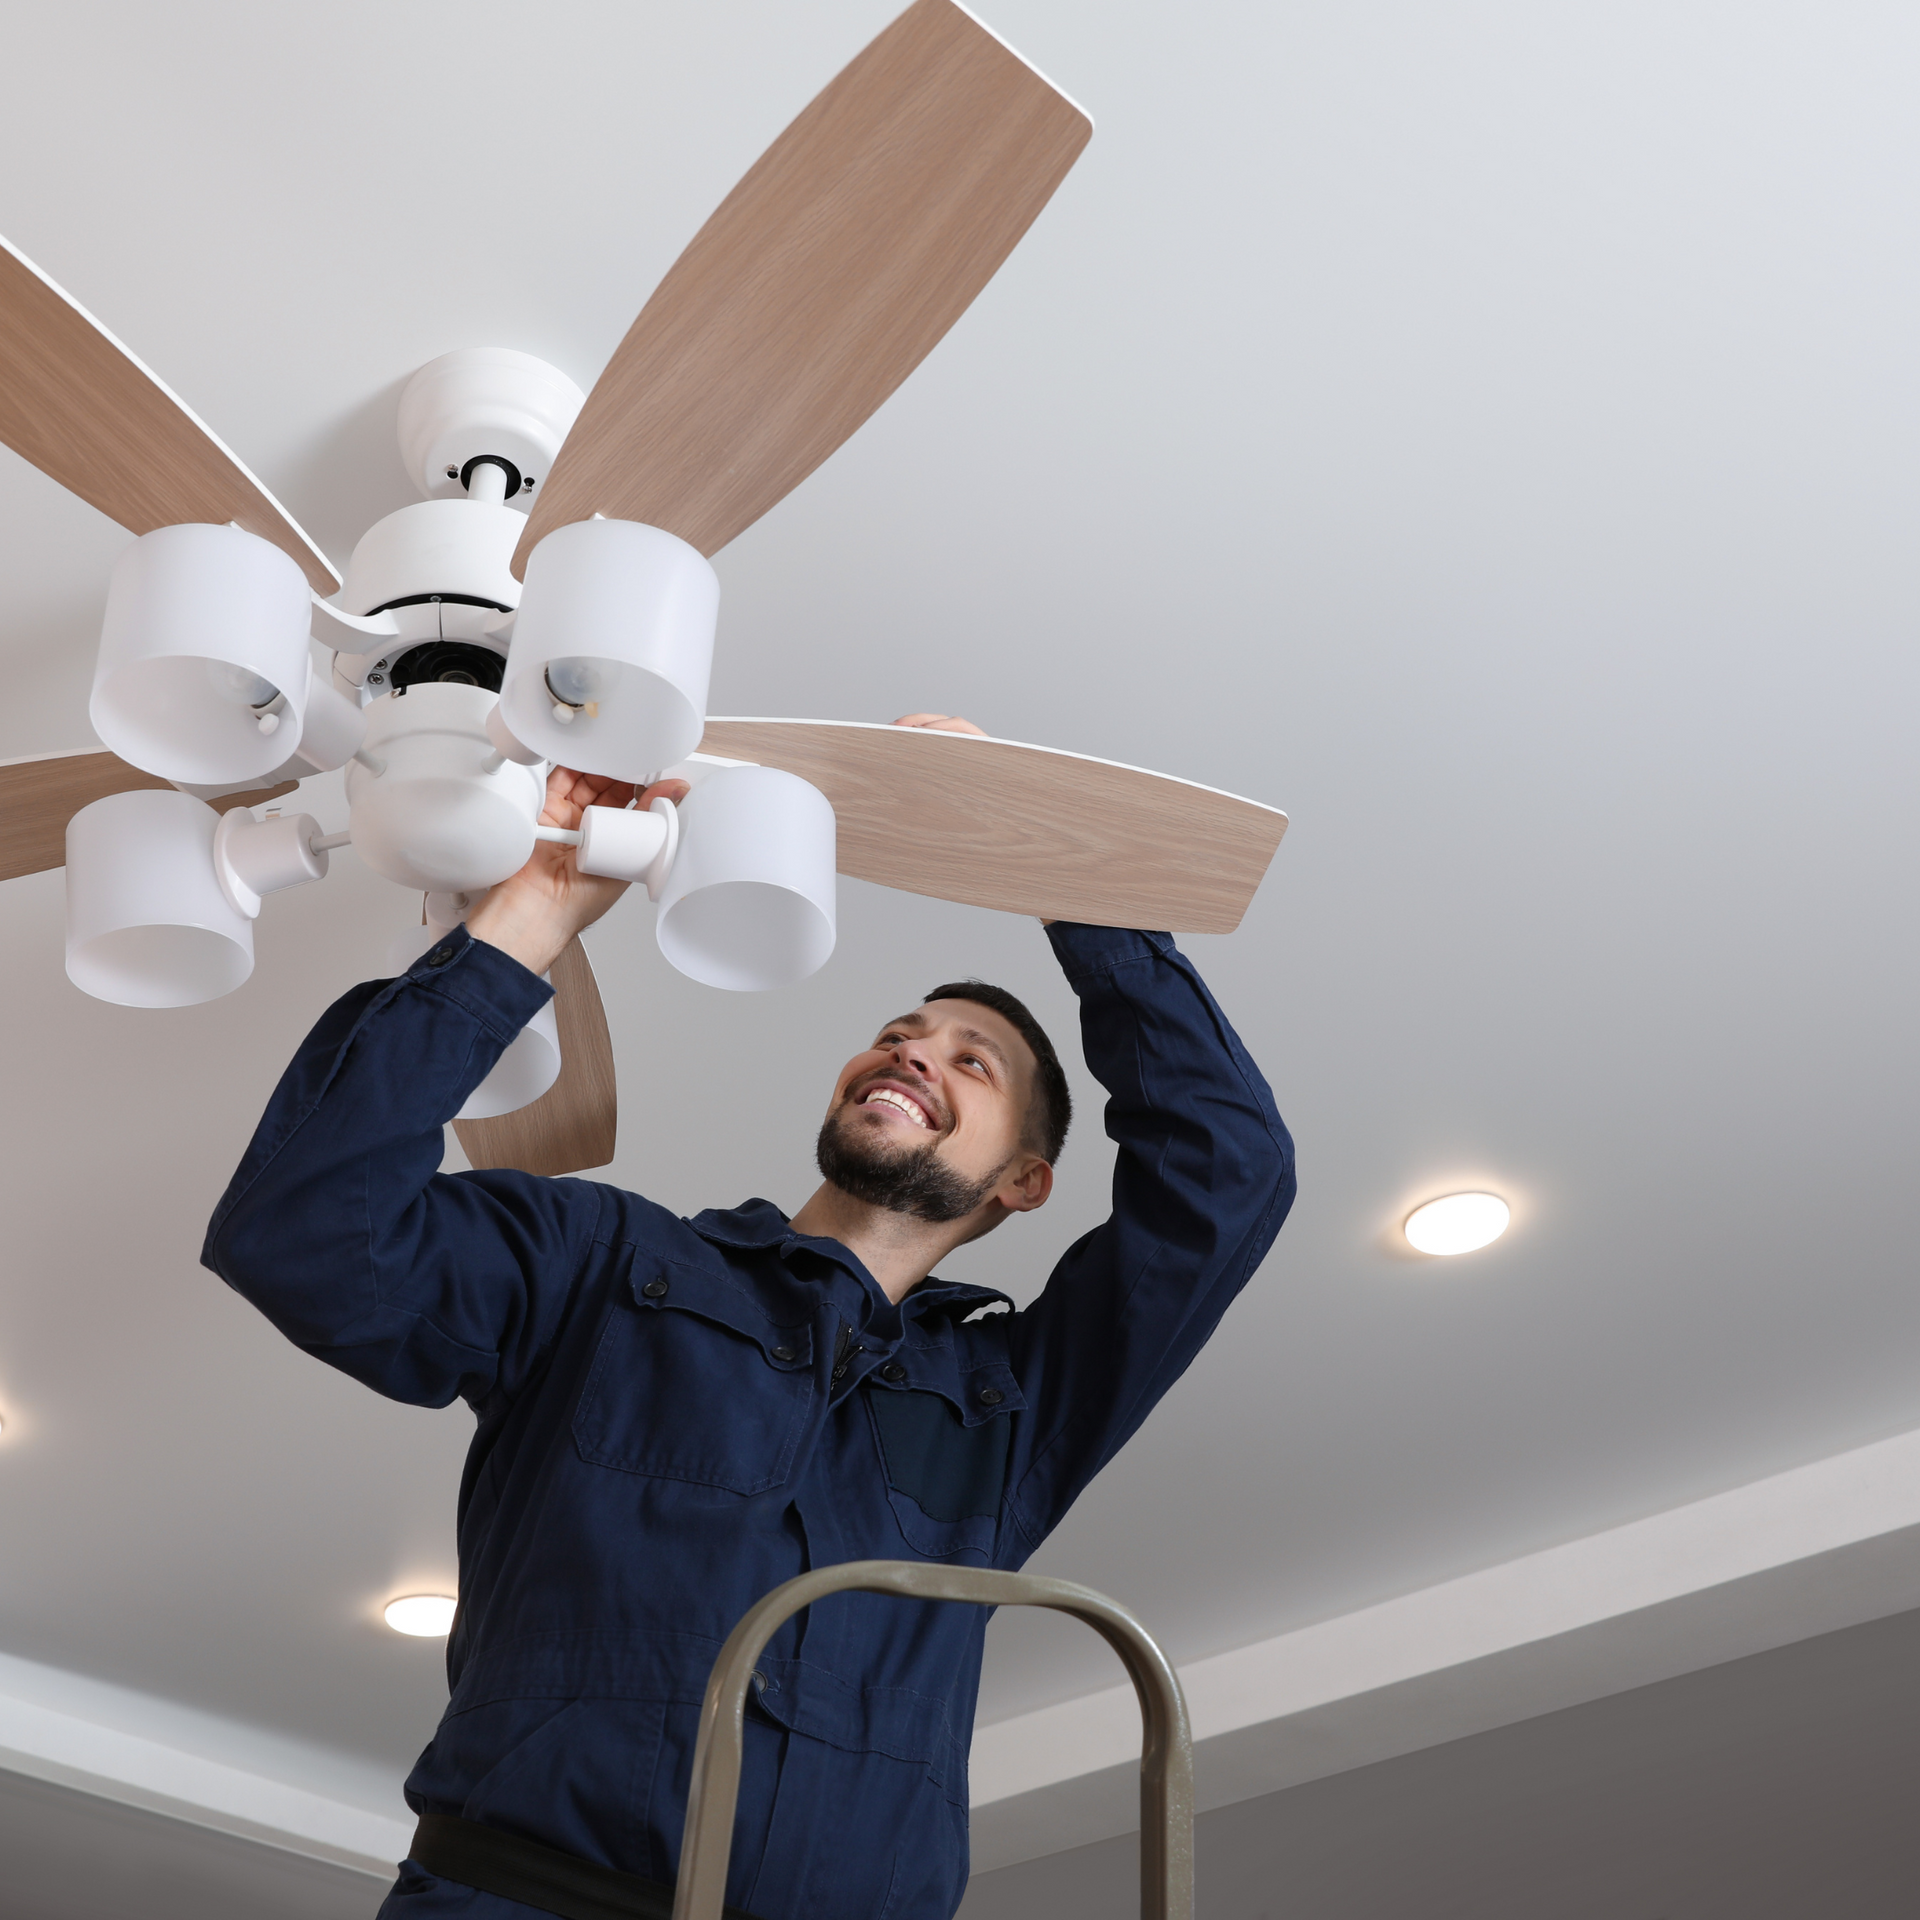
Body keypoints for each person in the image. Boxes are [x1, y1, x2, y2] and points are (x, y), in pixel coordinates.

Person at [203, 715, 1295, 1920]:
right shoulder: (603, 1265)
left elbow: (1226, 1173)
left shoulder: (1012, 1410)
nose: (914, 1052)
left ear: (1024, 1181)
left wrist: (1039, 858)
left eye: (971, 1061)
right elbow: (304, 1234)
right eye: (897, 1036)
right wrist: (532, 913)